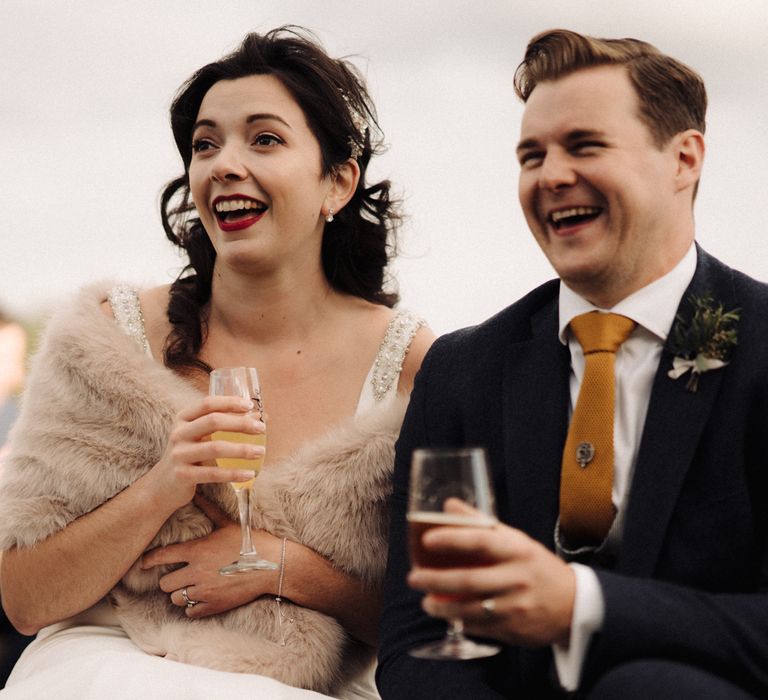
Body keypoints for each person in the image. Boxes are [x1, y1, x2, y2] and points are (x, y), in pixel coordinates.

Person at [0, 27, 433, 700]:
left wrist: (288, 569)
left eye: (264, 139)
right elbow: (24, 598)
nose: (224, 164)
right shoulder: (107, 339)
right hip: (109, 669)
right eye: (206, 144)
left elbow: (438, 624)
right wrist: (164, 486)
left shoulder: (412, 367)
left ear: (338, 183)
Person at [377, 29, 768, 699]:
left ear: (684, 159)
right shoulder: (463, 369)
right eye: (532, 155)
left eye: (584, 145)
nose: (552, 175)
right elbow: (418, 642)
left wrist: (582, 603)